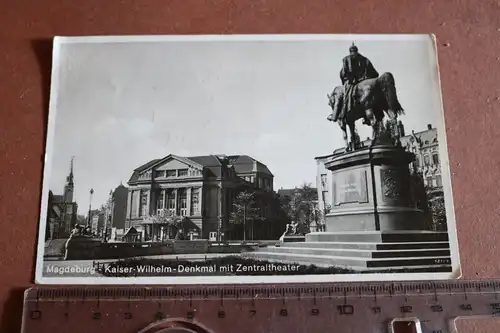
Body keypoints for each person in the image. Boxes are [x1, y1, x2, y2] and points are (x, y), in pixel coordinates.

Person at [336, 43, 379, 123]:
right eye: (352, 52)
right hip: (358, 80)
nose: (353, 53)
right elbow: (375, 73)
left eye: (354, 51)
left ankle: (342, 113)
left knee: (346, 96)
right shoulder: (362, 59)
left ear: (356, 51)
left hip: (354, 82)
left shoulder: (361, 60)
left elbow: (343, 74)